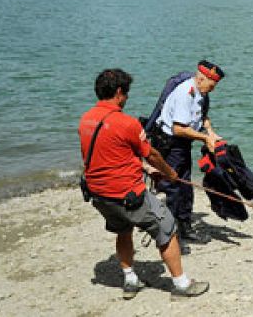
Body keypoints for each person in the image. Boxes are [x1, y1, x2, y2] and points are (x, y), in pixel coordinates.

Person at [78, 69, 208, 299]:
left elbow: (107, 156)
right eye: (126, 93)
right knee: (167, 227)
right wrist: (169, 173)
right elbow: (153, 155)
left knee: (123, 229)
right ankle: (182, 285)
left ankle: (130, 280)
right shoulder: (127, 123)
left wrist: (144, 169)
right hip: (127, 195)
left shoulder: (86, 119)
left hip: (99, 195)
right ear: (119, 92)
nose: (127, 98)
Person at [154, 60, 224, 243]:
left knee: (185, 186)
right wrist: (204, 139)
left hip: (183, 144)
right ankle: (170, 235)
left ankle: (184, 226)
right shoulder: (186, 93)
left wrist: (210, 131)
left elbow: (202, 115)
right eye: (212, 85)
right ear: (201, 78)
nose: (213, 89)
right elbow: (178, 128)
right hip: (171, 144)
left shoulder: (200, 92)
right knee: (174, 187)